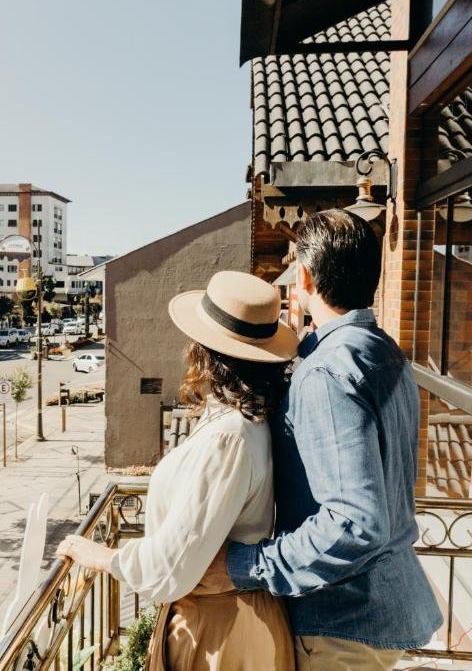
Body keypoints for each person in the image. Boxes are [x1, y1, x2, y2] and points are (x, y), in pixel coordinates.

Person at [197, 210, 442, 670]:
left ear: (305, 276)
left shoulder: (327, 372)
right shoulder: (383, 349)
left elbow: (354, 524)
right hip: (371, 607)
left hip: (342, 621)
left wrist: (242, 567)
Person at [58, 271, 298, 670]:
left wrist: (100, 556)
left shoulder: (230, 436)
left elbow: (172, 565)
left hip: (222, 631)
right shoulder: (243, 421)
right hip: (226, 619)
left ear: (206, 352)